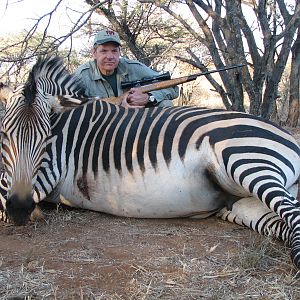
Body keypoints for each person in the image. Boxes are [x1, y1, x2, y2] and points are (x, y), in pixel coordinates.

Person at [75, 29, 179, 108]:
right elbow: (65, 103)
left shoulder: (133, 67)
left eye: (114, 51)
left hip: (133, 121)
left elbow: (173, 87)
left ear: (120, 52)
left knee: (165, 103)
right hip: (100, 124)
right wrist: (114, 103)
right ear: (94, 53)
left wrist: (149, 97)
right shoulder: (81, 75)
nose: (110, 56)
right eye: (104, 51)